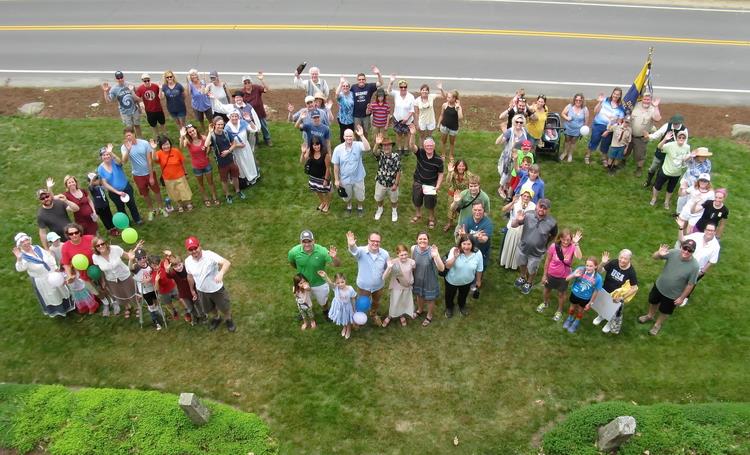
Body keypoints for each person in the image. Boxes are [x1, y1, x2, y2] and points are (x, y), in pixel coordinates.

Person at [638, 240, 700, 336]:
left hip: (673, 295)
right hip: (659, 286)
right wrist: (659, 253)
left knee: (665, 311)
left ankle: (657, 325)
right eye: (685, 248)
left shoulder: (694, 266)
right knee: (653, 301)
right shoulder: (673, 252)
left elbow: (690, 284)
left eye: (690, 250)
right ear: (681, 247)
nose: (686, 251)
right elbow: (654, 257)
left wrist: (682, 298)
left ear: (693, 252)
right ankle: (650, 315)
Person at [13, 232, 75, 317]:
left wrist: (55, 267)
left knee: (61, 289)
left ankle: (69, 306)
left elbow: (49, 256)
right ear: (19, 245)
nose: (26, 243)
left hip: (53, 274)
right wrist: (19, 259)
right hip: (43, 279)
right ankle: (61, 311)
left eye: (26, 240)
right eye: (22, 242)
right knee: (53, 294)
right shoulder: (23, 257)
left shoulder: (37, 248)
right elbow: (20, 269)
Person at [184, 236, 236, 332]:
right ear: (188, 251)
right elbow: (190, 276)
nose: (194, 251)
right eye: (190, 249)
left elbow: (227, 263)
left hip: (217, 289)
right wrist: (192, 289)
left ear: (200, 246)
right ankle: (217, 318)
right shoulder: (187, 261)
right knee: (209, 308)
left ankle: (228, 319)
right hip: (201, 291)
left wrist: (221, 273)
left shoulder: (209, 255)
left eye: (195, 248)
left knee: (224, 307)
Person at [287, 230, 341, 317]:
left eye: (309, 241)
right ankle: (305, 312)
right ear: (300, 242)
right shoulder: (293, 252)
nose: (307, 244)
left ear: (314, 241)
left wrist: (334, 257)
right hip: (303, 284)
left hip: (320, 283)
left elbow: (337, 265)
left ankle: (325, 311)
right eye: (304, 242)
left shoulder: (322, 251)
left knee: (323, 302)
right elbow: (293, 263)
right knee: (304, 301)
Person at [511, 198, 558, 295]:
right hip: (523, 248)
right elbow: (513, 225)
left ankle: (529, 282)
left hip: (537, 253)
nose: (542, 209)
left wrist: (547, 246)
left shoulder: (552, 223)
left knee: (532, 269)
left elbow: (554, 236)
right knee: (522, 264)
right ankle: (522, 276)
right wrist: (517, 220)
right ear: (537, 206)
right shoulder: (528, 214)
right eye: (540, 206)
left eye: (545, 208)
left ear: (548, 210)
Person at [120, 127, 167, 220]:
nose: (128, 137)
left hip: (149, 172)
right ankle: (151, 210)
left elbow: (150, 160)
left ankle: (161, 208)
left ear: (134, 134)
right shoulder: (124, 147)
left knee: (156, 191)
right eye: (126, 136)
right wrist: (128, 150)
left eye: (129, 135)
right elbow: (123, 161)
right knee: (145, 193)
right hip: (137, 175)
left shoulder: (144, 143)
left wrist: (151, 177)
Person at [537, 229, 583, 321]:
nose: (566, 242)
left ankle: (559, 310)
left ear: (571, 240)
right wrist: (544, 275)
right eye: (564, 239)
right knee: (547, 290)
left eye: (568, 240)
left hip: (564, 277)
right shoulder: (554, 246)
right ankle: (545, 303)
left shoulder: (573, 246)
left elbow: (579, 256)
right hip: (551, 274)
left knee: (561, 294)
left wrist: (576, 243)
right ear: (560, 238)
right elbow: (548, 260)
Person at [346, 230, 389, 326]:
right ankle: (357, 319)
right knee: (361, 304)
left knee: (376, 302)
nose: (375, 243)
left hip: (379, 286)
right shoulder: (361, 251)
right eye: (372, 240)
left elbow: (386, 268)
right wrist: (352, 245)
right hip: (364, 286)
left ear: (380, 242)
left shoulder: (385, 254)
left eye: (377, 241)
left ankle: (373, 314)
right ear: (368, 241)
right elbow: (354, 251)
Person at [408, 124, 445, 230]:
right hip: (418, 181)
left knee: (430, 203)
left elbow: (441, 174)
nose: (429, 147)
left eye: (431, 146)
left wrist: (437, 186)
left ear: (434, 146)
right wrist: (412, 134)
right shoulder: (420, 153)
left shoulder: (438, 160)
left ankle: (431, 218)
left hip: (431, 185)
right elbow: (411, 146)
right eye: (427, 146)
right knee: (417, 199)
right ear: (424, 146)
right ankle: (418, 214)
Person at [91, 236, 139, 319]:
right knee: (119, 295)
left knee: (131, 293)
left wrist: (132, 254)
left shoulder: (115, 249)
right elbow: (100, 270)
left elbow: (127, 256)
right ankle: (127, 307)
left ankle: (137, 307)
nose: (101, 246)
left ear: (106, 243)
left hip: (125, 275)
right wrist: (103, 281)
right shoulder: (95, 257)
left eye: (102, 244)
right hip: (111, 280)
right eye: (98, 246)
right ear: (95, 248)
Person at [594, 249, 639, 334]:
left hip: (617, 297)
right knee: (603, 306)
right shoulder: (614, 262)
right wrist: (602, 262)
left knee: (613, 311)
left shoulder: (631, 272)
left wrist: (622, 297)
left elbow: (635, 288)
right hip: (605, 290)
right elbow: (599, 271)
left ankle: (609, 323)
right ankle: (601, 316)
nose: (622, 260)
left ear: (630, 259)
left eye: (625, 259)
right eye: (621, 257)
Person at [96, 144, 142, 225]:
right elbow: (105, 184)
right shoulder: (100, 169)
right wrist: (117, 192)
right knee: (120, 208)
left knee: (132, 204)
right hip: (114, 193)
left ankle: (137, 219)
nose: (106, 156)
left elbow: (121, 162)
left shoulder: (115, 162)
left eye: (108, 154)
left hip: (126, 187)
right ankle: (126, 222)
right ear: (101, 157)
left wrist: (112, 153)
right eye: (104, 155)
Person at [204, 116, 245, 204]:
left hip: (231, 159)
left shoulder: (226, 132)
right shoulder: (212, 136)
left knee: (235, 176)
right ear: (214, 125)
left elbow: (234, 144)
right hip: (221, 163)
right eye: (218, 124)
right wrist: (210, 132)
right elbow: (206, 144)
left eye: (222, 124)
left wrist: (228, 151)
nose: (220, 126)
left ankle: (238, 191)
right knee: (224, 180)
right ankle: (227, 195)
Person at [332, 125, 371, 216]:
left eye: (350, 136)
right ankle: (349, 206)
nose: (349, 138)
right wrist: (337, 179)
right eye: (347, 136)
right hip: (345, 179)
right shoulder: (338, 149)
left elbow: (368, 148)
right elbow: (336, 166)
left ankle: (360, 207)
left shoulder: (358, 145)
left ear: (353, 136)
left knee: (360, 196)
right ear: (343, 137)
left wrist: (361, 135)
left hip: (358, 177)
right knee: (347, 196)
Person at [679, 223, 720, 307]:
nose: (710, 232)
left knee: (691, 284)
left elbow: (711, 261)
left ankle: (685, 297)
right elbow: (682, 240)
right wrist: (680, 229)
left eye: (712, 230)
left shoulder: (716, 246)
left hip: (698, 270)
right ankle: (676, 292)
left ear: (715, 232)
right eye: (708, 230)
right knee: (680, 279)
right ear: (705, 230)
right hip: (686, 264)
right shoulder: (697, 236)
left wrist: (702, 271)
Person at [443, 234, 484, 318]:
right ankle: (449, 308)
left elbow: (480, 268)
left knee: (463, 295)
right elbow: (447, 266)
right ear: (460, 244)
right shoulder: (454, 250)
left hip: (467, 281)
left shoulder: (478, 253)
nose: (466, 247)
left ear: (472, 244)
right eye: (464, 244)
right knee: (449, 296)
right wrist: (455, 257)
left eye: (469, 244)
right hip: (452, 281)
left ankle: (462, 306)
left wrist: (478, 280)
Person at [180, 123, 220, 207]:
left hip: (206, 164)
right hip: (196, 167)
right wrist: (182, 136)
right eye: (190, 132)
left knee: (211, 182)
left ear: (196, 130)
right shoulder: (188, 141)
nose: (192, 133)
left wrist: (207, 151)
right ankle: (205, 198)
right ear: (188, 134)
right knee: (201, 184)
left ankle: (214, 197)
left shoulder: (204, 138)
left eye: (193, 130)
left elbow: (209, 145)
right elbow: (181, 146)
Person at [643, 114, 688, 188]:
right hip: (661, 150)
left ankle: (656, 183)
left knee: (662, 169)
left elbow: (684, 143)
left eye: (677, 123)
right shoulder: (667, 126)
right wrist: (649, 136)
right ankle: (648, 180)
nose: (675, 125)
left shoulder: (684, 130)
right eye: (674, 123)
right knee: (653, 167)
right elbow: (657, 134)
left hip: (671, 154)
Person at [650, 130, 692, 210]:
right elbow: (659, 147)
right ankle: (654, 198)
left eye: (683, 137)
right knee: (657, 186)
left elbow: (686, 158)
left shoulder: (687, 147)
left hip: (676, 173)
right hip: (665, 171)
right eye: (679, 137)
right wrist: (665, 139)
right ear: (676, 137)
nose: (681, 138)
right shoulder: (670, 145)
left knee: (670, 188)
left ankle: (666, 202)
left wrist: (690, 156)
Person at [561, 257, 603, 334]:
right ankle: (570, 319)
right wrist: (574, 275)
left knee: (580, 311)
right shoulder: (580, 269)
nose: (588, 267)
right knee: (572, 308)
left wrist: (590, 303)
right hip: (575, 294)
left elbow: (596, 291)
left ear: (596, 266)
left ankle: (576, 322)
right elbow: (567, 279)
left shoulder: (598, 278)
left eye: (591, 266)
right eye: (587, 265)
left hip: (585, 298)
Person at [411, 232, 445, 327]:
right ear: (417, 240)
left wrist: (436, 256)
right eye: (420, 239)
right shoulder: (413, 248)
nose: (422, 240)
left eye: (425, 239)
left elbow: (441, 268)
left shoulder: (432, 251)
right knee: (419, 295)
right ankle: (420, 310)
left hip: (430, 279)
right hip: (417, 277)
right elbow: (412, 262)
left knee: (430, 299)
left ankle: (429, 316)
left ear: (428, 240)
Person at [153, 135, 193, 212]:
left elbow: (182, 163)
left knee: (184, 190)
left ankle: (188, 203)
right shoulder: (159, 153)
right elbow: (154, 159)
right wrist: (154, 149)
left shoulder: (176, 151)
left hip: (180, 176)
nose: (166, 146)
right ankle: (179, 205)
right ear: (161, 146)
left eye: (167, 144)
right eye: (164, 145)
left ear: (170, 144)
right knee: (174, 192)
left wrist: (186, 173)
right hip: (168, 178)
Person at [129, 248, 166, 331]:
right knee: (151, 305)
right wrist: (130, 260)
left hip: (153, 287)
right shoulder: (136, 267)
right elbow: (130, 268)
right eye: (139, 258)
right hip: (145, 290)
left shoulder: (149, 264)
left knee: (156, 301)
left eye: (144, 257)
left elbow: (155, 270)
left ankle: (158, 310)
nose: (142, 260)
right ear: (136, 259)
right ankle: (155, 320)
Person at [164, 251, 205, 324]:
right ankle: (195, 318)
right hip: (184, 294)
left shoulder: (188, 269)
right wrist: (167, 271)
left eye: (179, 265)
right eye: (175, 267)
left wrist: (195, 291)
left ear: (182, 263)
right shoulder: (173, 273)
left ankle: (203, 317)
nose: (178, 267)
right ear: (172, 267)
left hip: (194, 291)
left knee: (199, 305)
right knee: (190, 307)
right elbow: (168, 276)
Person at [586, 88, 625, 165]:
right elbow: (595, 111)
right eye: (614, 93)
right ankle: (587, 156)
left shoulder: (621, 108)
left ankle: (604, 158)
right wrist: (600, 102)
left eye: (618, 94)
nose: (615, 95)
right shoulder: (605, 100)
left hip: (609, 129)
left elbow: (619, 122)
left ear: (620, 96)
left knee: (606, 145)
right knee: (593, 141)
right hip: (598, 125)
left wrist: (608, 131)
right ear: (612, 93)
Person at [499, 189, 536, 270]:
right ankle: (506, 262)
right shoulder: (516, 203)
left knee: (519, 249)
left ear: (531, 198)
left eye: (528, 197)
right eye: (524, 196)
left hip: (524, 230)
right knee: (510, 245)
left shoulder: (533, 206)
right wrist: (512, 202)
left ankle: (516, 265)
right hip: (513, 227)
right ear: (521, 196)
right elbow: (504, 209)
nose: (526, 198)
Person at [626, 93, 661, 176]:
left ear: (651, 100)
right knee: (626, 150)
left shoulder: (653, 109)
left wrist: (656, 106)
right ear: (642, 99)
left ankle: (639, 169)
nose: (646, 101)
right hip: (629, 134)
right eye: (645, 99)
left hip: (641, 138)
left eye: (648, 99)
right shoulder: (635, 105)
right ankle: (623, 161)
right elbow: (627, 112)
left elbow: (657, 118)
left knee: (640, 154)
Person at [381, 244, 416, 328]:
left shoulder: (412, 262)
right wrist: (389, 268)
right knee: (395, 302)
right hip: (397, 287)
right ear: (397, 254)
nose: (404, 257)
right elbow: (384, 277)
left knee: (404, 301)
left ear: (408, 253)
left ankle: (401, 315)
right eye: (401, 255)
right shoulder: (393, 263)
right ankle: (390, 316)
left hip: (407, 286)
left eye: (405, 254)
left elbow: (413, 271)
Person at [496, 114, 529, 200]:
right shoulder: (510, 132)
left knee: (514, 173)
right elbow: (498, 142)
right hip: (508, 157)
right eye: (517, 122)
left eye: (521, 122)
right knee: (506, 174)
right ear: (513, 122)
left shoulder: (524, 131)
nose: (519, 124)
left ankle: (507, 187)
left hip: (519, 156)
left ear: (523, 123)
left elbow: (525, 143)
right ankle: (500, 188)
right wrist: (504, 133)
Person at [101, 70, 142, 137]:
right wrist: (105, 92)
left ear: (123, 77)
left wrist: (139, 107)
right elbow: (108, 100)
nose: (120, 79)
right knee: (130, 128)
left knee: (137, 125)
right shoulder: (114, 89)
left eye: (121, 77)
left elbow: (135, 98)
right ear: (115, 79)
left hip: (134, 110)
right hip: (125, 113)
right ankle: (133, 141)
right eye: (118, 78)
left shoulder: (130, 85)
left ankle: (140, 140)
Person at [371, 133, 401, 222]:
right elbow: (374, 152)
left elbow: (398, 171)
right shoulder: (380, 154)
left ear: (391, 146)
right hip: (380, 182)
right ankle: (380, 209)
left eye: (388, 145)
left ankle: (394, 211)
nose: (386, 147)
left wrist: (396, 184)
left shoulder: (396, 156)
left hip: (392, 184)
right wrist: (377, 143)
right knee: (379, 198)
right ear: (382, 147)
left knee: (394, 199)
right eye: (384, 146)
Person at [675, 147, 712, 217]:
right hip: (686, 181)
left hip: (696, 185)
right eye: (702, 156)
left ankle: (686, 215)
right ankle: (678, 213)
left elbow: (706, 175)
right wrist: (690, 155)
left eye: (705, 156)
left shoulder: (708, 163)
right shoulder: (692, 159)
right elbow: (683, 161)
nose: (704, 158)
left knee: (690, 200)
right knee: (682, 198)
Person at [456, 202, 493, 271]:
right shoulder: (467, 220)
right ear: (472, 210)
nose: (477, 212)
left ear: (483, 210)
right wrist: (463, 235)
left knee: (479, 270)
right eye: (475, 210)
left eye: (479, 210)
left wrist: (480, 238)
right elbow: (463, 238)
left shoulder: (488, 223)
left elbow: (485, 239)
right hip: (468, 250)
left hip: (481, 251)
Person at [318, 271, 355, 339]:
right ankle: (344, 327)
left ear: (345, 280)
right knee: (342, 317)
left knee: (347, 318)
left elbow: (353, 298)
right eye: (338, 283)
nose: (340, 284)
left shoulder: (350, 289)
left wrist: (353, 308)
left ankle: (348, 329)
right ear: (335, 283)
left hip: (347, 307)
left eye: (342, 282)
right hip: (339, 307)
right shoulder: (336, 288)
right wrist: (325, 276)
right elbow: (330, 283)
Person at [301, 136, 333, 213]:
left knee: (328, 191)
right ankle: (323, 202)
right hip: (313, 177)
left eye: (317, 144)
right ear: (312, 145)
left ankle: (327, 204)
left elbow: (328, 168)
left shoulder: (325, 154)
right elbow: (302, 162)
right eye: (314, 145)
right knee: (317, 190)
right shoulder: (310, 152)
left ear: (320, 144)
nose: (316, 147)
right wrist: (303, 152)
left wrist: (325, 179)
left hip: (323, 177)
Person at [240, 73, 273, 146]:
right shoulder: (242, 92)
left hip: (260, 112)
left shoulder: (256, 87)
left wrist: (262, 80)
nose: (247, 84)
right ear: (243, 84)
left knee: (264, 126)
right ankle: (256, 141)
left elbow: (266, 89)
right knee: (254, 128)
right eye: (245, 83)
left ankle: (267, 139)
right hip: (251, 115)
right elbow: (241, 103)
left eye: (248, 82)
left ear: (251, 82)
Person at [351, 66, 383, 139]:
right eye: (359, 79)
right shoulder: (353, 87)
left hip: (366, 115)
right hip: (356, 115)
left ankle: (365, 144)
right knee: (357, 131)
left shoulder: (369, 86)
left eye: (363, 79)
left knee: (366, 131)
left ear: (365, 80)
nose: (361, 81)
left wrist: (378, 73)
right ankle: (358, 143)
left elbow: (381, 83)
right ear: (357, 80)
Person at [444, 160, 476, 232]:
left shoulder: (469, 175)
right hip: (453, 193)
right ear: (456, 166)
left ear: (465, 167)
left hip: (464, 194)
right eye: (459, 166)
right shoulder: (453, 173)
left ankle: (463, 225)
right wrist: (449, 172)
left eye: (463, 166)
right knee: (451, 209)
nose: (461, 168)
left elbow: (473, 184)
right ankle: (449, 223)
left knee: (463, 210)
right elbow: (447, 181)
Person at [388, 76, 416, 154]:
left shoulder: (411, 96)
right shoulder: (396, 94)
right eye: (401, 87)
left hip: (408, 120)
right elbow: (389, 91)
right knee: (398, 134)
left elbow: (412, 110)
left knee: (407, 134)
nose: (403, 88)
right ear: (399, 87)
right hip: (397, 118)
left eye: (405, 87)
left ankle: (406, 148)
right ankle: (400, 148)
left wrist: (406, 118)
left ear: (407, 87)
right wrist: (391, 81)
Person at [134, 73, 166, 137]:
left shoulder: (155, 86)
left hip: (158, 109)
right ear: (142, 81)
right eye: (145, 81)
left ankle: (165, 135)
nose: (147, 82)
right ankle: (157, 136)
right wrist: (132, 92)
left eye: (148, 80)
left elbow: (161, 97)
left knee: (162, 123)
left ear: (150, 80)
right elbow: (137, 98)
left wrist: (160, 88)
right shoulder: (140, 89)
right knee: (153, 125)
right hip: (149, 111)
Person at [560, 93, 589, 162]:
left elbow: (586, 121)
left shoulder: (585, 109)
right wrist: (567, 118)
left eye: (580, 100)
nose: (578, 101)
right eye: (576, 100)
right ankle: (564, 153)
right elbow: (562, 113)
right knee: (566, 141)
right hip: (568, 128)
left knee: (573, 142)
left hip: (577, 130)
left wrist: (583, 130)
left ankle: (570, 154)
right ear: (574, 100)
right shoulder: (570, 106)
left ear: (582, 101)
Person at [438, 89, 463, 162]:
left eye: (449, 97)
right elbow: (441, 115)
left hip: (453, 128)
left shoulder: (457, 107)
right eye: (447, 97)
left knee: (452, 142)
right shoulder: (444, 105)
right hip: (444, 126)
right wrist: (438, 124)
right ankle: (443, 154)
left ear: (454, 98)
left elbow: (460, 117)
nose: (447, 98)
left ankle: (451, 155)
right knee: (443, 141)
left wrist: (458, 107)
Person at [335, 77, 355, 143]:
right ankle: (343, 145)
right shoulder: (340, 95)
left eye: (347, 86)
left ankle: (350, 144)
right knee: (343, 133)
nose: (345, 87)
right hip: (342, 118)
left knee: (350, 134)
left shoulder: (352, 94)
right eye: (344, 86)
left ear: (349, 87)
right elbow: (336, 94)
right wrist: (341, 83)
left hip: (351, 118)